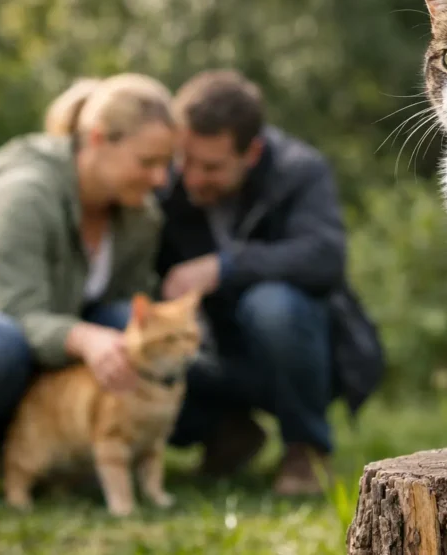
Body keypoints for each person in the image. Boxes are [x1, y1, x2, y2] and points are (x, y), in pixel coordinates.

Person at [0, 73, 176, 514]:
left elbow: (128, 311)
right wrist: (86, 339)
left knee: (126, 329)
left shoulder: (140, 218)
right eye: (147, 161)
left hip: (25, 365)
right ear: (97, 139)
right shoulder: (23, 196)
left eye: (167, 163)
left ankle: (66, 455)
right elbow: (17, 311)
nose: (160, 177)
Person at [155, 69, 382, 497]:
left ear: (252, 152)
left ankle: (306, 449)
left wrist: (223, 267)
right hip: (206, 351)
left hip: (302, 353)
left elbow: (323, 255)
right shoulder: (163, 180)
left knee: (273, 304)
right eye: (183, 160)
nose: (191, 178)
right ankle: (227, 431)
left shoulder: (300, 171)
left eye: (211, 167)